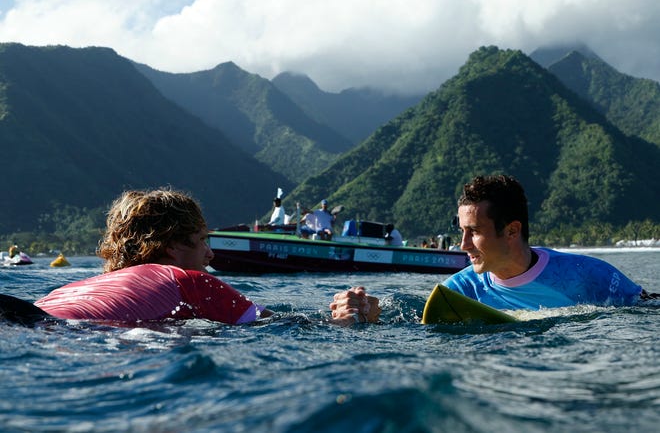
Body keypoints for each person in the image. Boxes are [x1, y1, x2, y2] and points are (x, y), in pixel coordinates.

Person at [330, 174, 657, 325]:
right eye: (462, 231)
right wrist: (367, 318)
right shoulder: (456, 293)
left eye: (474, 232)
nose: (463, 245)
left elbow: (648, 312)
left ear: (512, 230)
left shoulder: (588, 275)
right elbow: (417, 330)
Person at [8, 189, 274, 325]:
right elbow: (280, 326)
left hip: (23, 319)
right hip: (72, 335)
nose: (210, 253)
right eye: (203, 239)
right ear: (171, 245)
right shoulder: (189, 282)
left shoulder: (67, 290)